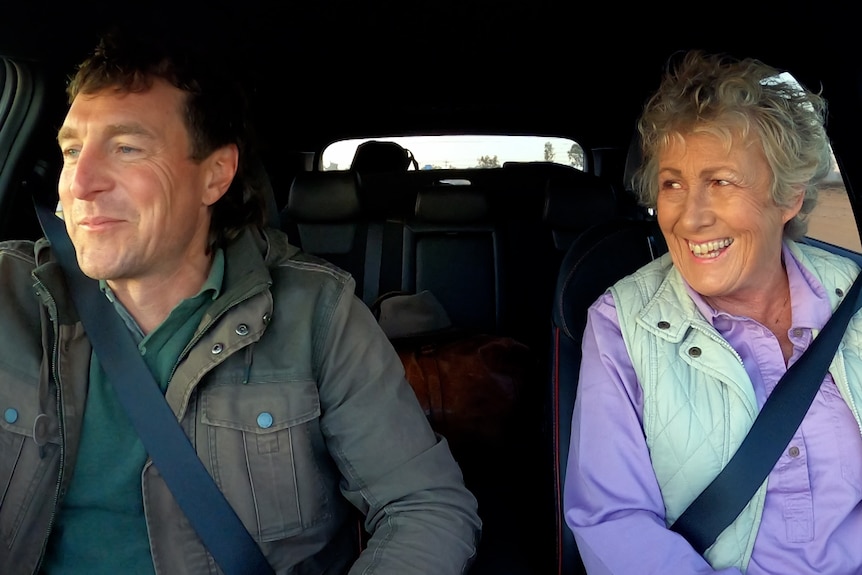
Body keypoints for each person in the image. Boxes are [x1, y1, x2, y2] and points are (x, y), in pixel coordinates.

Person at [0, 28, 481, 574]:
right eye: (70, 150)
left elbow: (424, 505)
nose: (78, 183)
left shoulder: (315, 313)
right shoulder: (10, 294)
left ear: (215, 175)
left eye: (127, 148)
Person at [564, 50, 862, 574]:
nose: (691, 217)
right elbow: (614, 520)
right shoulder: (620, 324)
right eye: (673, 183)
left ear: (788, 195)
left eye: (721, 181)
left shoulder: (855, 296)